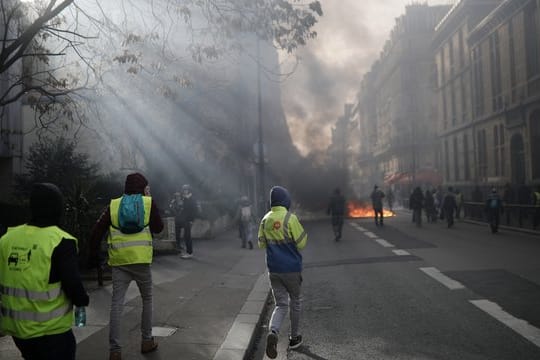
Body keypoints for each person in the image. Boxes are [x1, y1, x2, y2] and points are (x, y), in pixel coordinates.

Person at [0, 183, 89, 360]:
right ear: (58, 208)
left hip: (18, 331)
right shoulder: (61, 241)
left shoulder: (7, 239)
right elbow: (72, 283)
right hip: (51, 332)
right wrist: (82, 300)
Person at [89, 173, 164, 360]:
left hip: (119, 262)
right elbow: (159, 227)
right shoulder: (148, 203)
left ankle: (115, 351)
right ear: (143, 187)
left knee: (116, 304)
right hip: (141, 262)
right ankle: (147, 341)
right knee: (147, 299)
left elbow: (97, 231)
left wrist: (93, 256)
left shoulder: (113, 205)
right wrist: (149, 199)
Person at [258, 186, 307, 359]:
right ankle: (294, 338)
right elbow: (301, 243)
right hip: (291, 269)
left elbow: (261, 244)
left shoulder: (265, 220)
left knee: (280, 304)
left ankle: (273, 331)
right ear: (286, 200)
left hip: (274, 270)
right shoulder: (290, 218)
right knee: (295, 302)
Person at [169, 184, 199, 259]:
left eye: (186, 189)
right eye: (184, 189)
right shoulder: (184, 198)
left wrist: (192, 220)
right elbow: (182, 208)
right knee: (177, 232)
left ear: (189, 190)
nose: (184, 191)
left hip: (188, 220)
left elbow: (195, 211)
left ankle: (189, 253)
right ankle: (178, 247)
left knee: (187, 236)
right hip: (182, 219)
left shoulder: (192, 199)